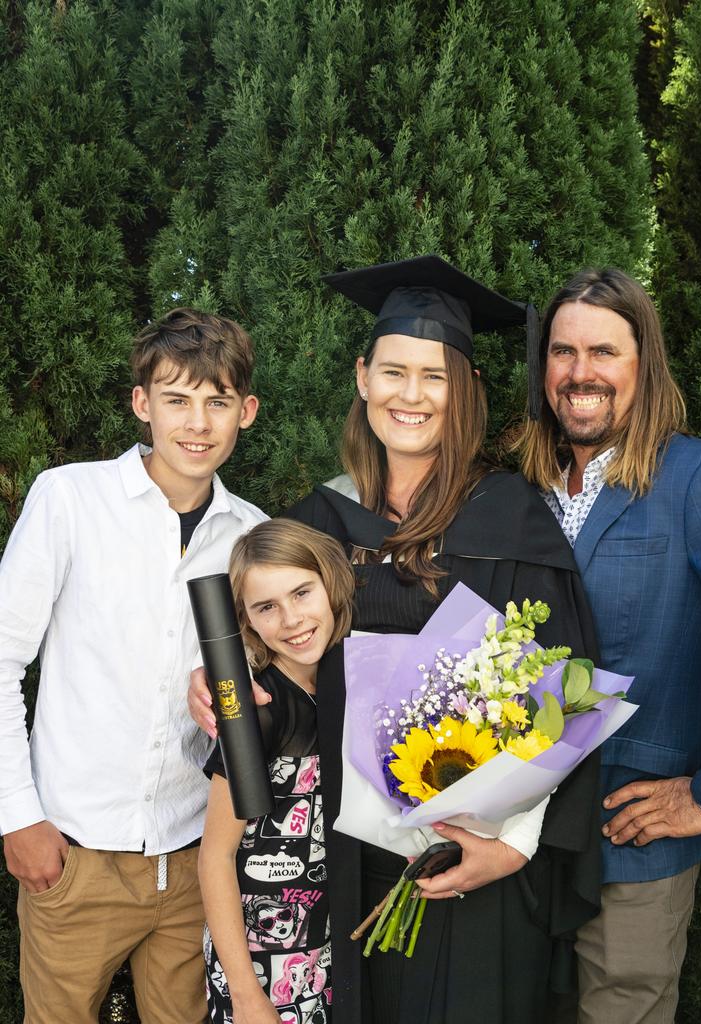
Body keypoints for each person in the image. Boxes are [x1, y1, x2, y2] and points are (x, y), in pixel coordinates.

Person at [277, 255, 604, 1024]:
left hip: (474, 858)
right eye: (394, 371)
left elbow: (560, 695)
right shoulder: (316, 524)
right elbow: (275, 660)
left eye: (436, 375)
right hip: (342, 853)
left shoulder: (510, 519)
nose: (412, 395)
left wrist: (514, 846)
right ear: (363, 378)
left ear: (464, 393)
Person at [515, 267, 701, 1023]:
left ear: (643, 365)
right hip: (516, 851)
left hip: (631, 855)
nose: (579, 373)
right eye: (562, 353)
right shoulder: (522, 488)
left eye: (603, 352)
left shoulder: (700, 478)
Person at [0, 308, 267, 1023]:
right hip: (75, 854)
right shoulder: (70, 500)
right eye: (177, 399)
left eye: (217, 402)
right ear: (141, 403)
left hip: (192, 863)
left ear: (246, 411)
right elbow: (2, 657)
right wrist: (17, 815)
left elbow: (263, 678)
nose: (198, 423)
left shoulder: (252, 535)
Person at [199, 519, 355, 1024]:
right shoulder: (258, 709)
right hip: (262, 966)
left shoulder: (347, 687)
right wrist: (246, 996)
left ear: (330, 584)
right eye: (267, 607)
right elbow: (216, 857)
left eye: (301, 593)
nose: (290, 619)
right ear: (246, 621)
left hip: (336, 951)